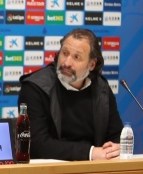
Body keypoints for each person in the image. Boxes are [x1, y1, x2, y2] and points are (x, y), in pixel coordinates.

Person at [18, 28, 123, 161]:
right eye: (65, 53)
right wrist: (90, 153)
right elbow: (36, 144)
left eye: (76, 57)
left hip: (94, 168)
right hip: (50, 169)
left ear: (91, 64)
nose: (66, 63)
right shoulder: (35, 87)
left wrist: (115, 149)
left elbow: (116, 135)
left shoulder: (101, 88)